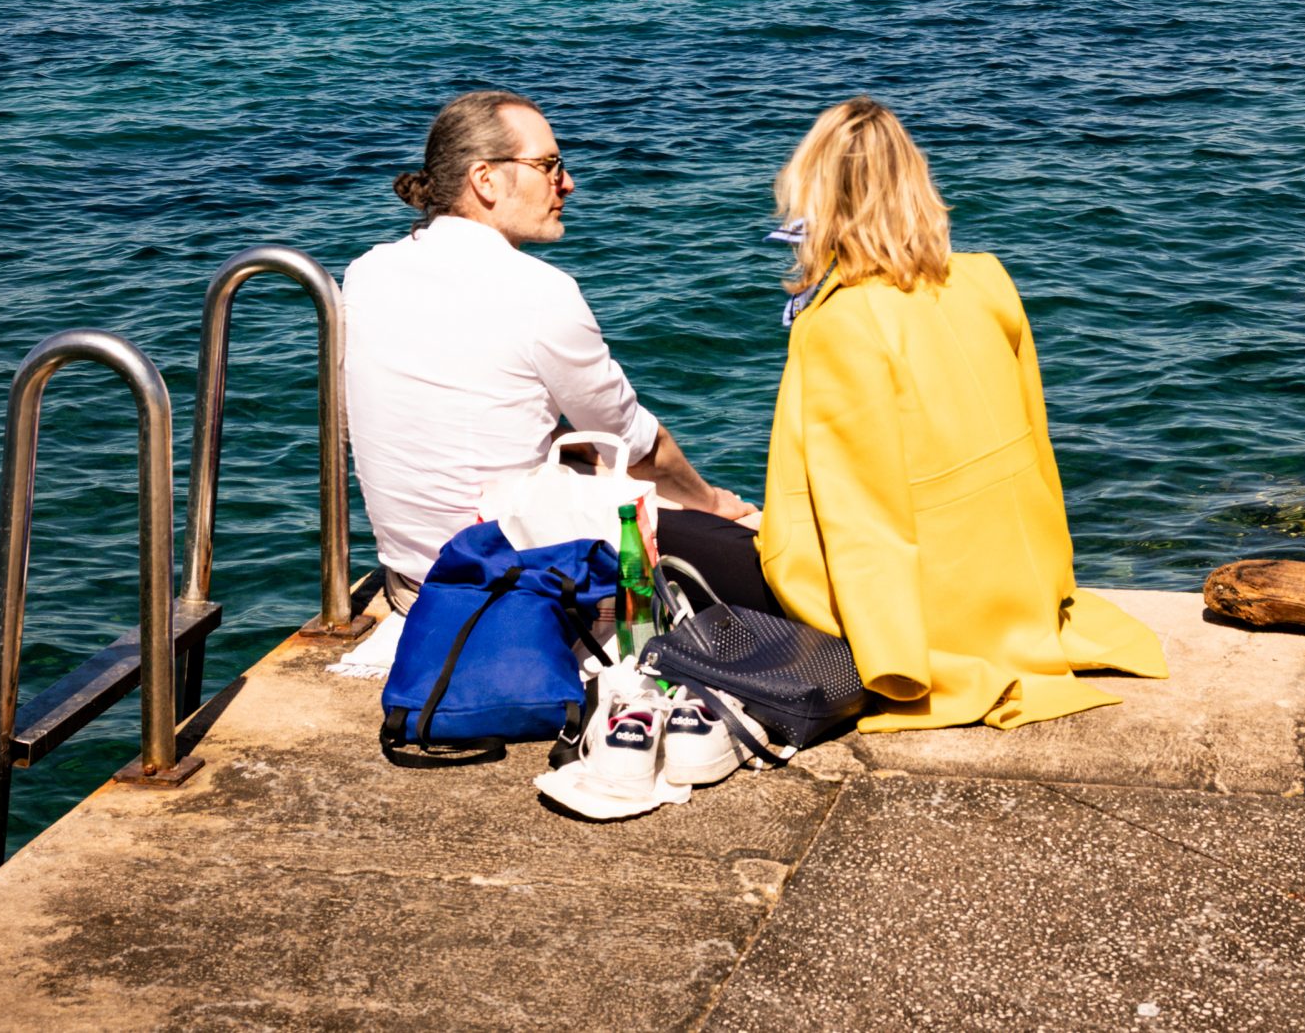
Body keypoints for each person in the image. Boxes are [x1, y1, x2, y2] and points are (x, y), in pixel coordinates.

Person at [757, 97, 1167, 731]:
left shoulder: (839, 322)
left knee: (706, 543)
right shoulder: (985, 280)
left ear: (815, 198)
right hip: (1022, 587)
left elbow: (862, 512)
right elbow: (1035, 445)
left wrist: (894, 658)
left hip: (934, 615)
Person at [343, 90, 770, 614]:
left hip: (413, 580)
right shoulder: (536, 290)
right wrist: (715, 505)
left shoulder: (367, 272)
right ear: (485, 180)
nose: (566, 182)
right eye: (548, 165)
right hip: (509, 587)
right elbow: (638, 445)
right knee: (764, 562)